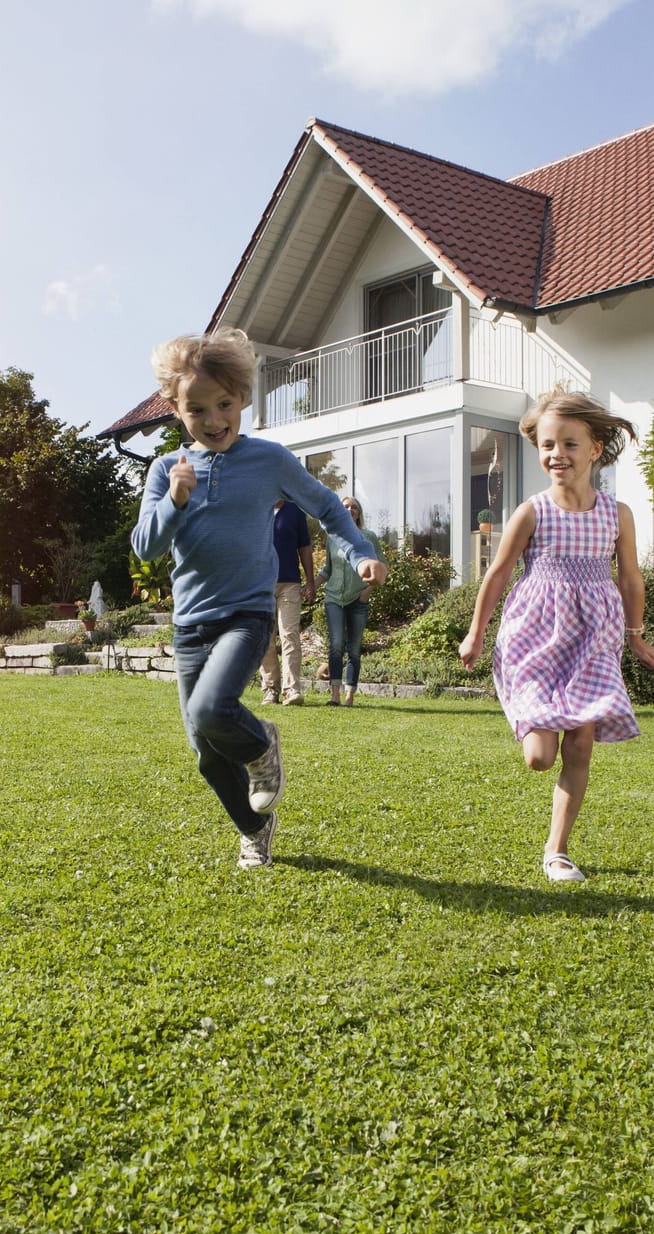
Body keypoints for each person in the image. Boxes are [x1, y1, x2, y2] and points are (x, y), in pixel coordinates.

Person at [133, 327, 387, 869]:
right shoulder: (165, 471)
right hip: (191, 624)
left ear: (243, 398)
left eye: (224, 404)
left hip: (246, 616)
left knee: (210, 709)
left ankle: (262, 744)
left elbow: (327, 507)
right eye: (196, 409)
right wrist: (176, 500)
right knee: (204, 752)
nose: (213, 419)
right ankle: (255, 828)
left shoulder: (269, 460)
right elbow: (146, 547)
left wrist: (360, 550)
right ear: (176, 410)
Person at [458, 389, 654, 883]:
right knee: (539, 757)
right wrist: (475, 632)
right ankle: (532, 723)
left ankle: (557, 851)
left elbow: (631, 578)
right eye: (549, 445)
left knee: (580, 747)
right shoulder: (532, 512)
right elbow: (499, 574)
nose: (557, 455)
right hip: (534, 640)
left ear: (595, 449)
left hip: (594, 640)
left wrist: (636, 636)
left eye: (569, 444)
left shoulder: (618, 515)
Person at [259, 500, 315, 706]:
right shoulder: (257, 507)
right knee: (265, 638)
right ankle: (270, 689)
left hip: (289, 583)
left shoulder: (295, 512)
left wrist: (310, 581)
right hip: (260, 585)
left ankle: (292, 690)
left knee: (289, 635)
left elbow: (305, 549)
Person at [318, 495, 373, 707]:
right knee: (336, 645)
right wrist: (311, 585)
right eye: (346, 507)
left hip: (358, 599)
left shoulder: (368, 537)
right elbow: (327, 569)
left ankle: (350, 695)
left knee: (354, 648)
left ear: (359, 513)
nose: (350, 510)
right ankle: (335, 696)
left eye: (354, 508)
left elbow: (381, 567)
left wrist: (368, 590)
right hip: (334, 597)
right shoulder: (332, 537)